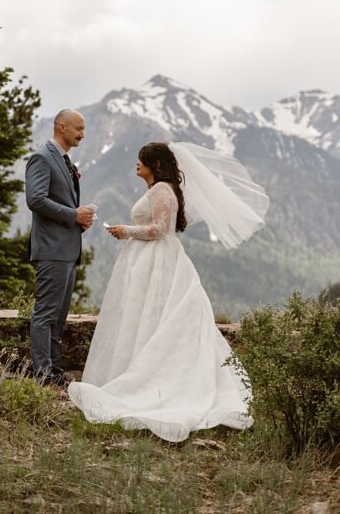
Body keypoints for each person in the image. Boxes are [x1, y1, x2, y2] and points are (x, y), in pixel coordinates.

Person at [67, 142, 269, 442]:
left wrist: (126, 231)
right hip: (147, 260)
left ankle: (151, 383)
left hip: (158, 261)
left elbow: (160, 229)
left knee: (155, 315)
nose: (137, 164)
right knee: (144, 317)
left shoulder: (162, 190)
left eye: (142, 160)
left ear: (155, 165)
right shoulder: (160, 189)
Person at [24, 109, 95, 388]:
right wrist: (72, 215)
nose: (82, 134)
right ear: (61, 126)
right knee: (45, 314)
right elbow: (36, 200)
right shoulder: (42, 157)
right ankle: (43, 375)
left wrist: (80, 221)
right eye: (78, 128)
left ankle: (55, 372)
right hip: (52, 249)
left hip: (67, 249)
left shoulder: (65, 161)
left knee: (59, 318)